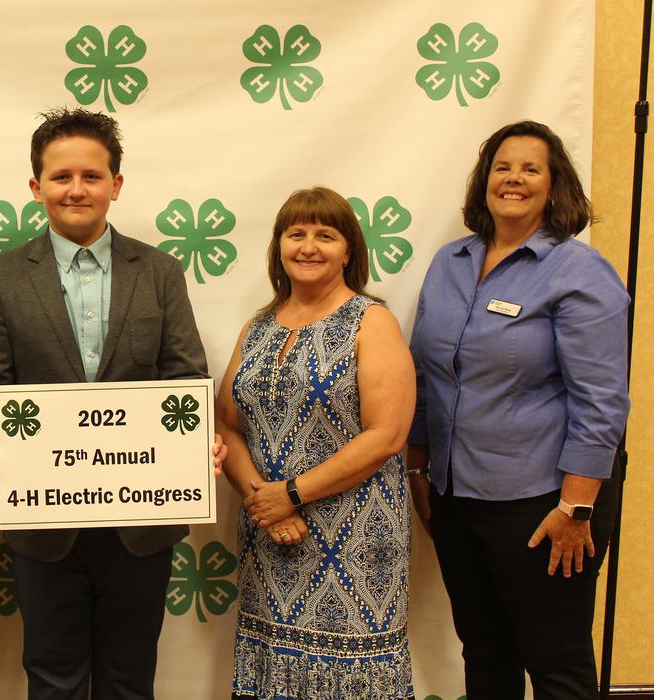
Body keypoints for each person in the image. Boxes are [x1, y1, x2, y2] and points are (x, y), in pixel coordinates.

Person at [0, 107, 224, 700]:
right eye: (60, 177)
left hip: (142, 521)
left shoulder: (159, 271)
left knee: (131, 679)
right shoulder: (1, 277)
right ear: (36, 187)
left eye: (91, 176)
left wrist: (196, 438)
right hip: (42, 519)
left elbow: (186, 377)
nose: (76, 189)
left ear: (116, 185)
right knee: (52, 676)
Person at [407, 120, 629, 700]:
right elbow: (427, 374)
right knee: (484, 654)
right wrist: (418, 469)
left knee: (556, 665)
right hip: (457, 499)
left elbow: (602, 401)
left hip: (545, 505)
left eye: (531, 169)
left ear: (554, 187)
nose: (514, 179)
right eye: (503, 167)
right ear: (485, 181)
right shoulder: (450, 263)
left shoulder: (578, 271)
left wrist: (577, 506)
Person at [215, 186, 416, 699]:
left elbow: (387, 435)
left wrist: (294, 494)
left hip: (357, 540)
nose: (308, 246)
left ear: (349, 249)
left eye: (325, 235)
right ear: (278, 246)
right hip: (271, 535)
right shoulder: (258, 327)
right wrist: (267, 501)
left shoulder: (372, 321)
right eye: (295, 233)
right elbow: (225, 424)